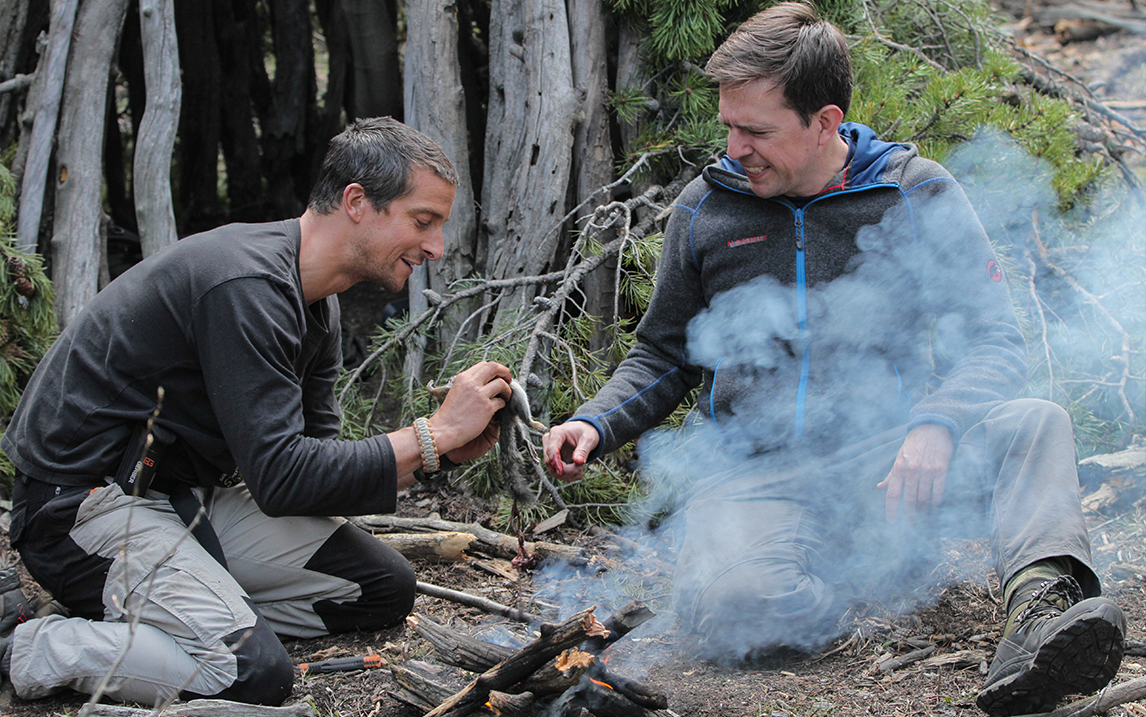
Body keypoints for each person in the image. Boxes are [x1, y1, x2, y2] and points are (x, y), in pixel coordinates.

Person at [541, 4, 1125, 715]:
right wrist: (596, 422)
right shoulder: (706, 207)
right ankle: (846, 580)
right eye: (729, 126)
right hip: (756, 477)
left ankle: (1038, 614)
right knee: (739, 610)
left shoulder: (914, 191)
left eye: (757, 131)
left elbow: (994, 342)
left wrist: (937, 421)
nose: (734, 148)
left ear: (824, 122)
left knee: (1034, 421)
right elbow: (664, 352)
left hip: (888, 464)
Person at [0, 117, 514, 706]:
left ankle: (185, 622)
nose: (436, 247)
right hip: (81, 508)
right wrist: (433, 431)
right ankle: (26, 646)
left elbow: (312, 479)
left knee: (380, 588)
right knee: (254, 673)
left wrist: (438, 454)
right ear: (356, 202)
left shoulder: (317, 306)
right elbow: (281, 477)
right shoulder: (244, 283)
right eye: (423, 221)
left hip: (179, 499)